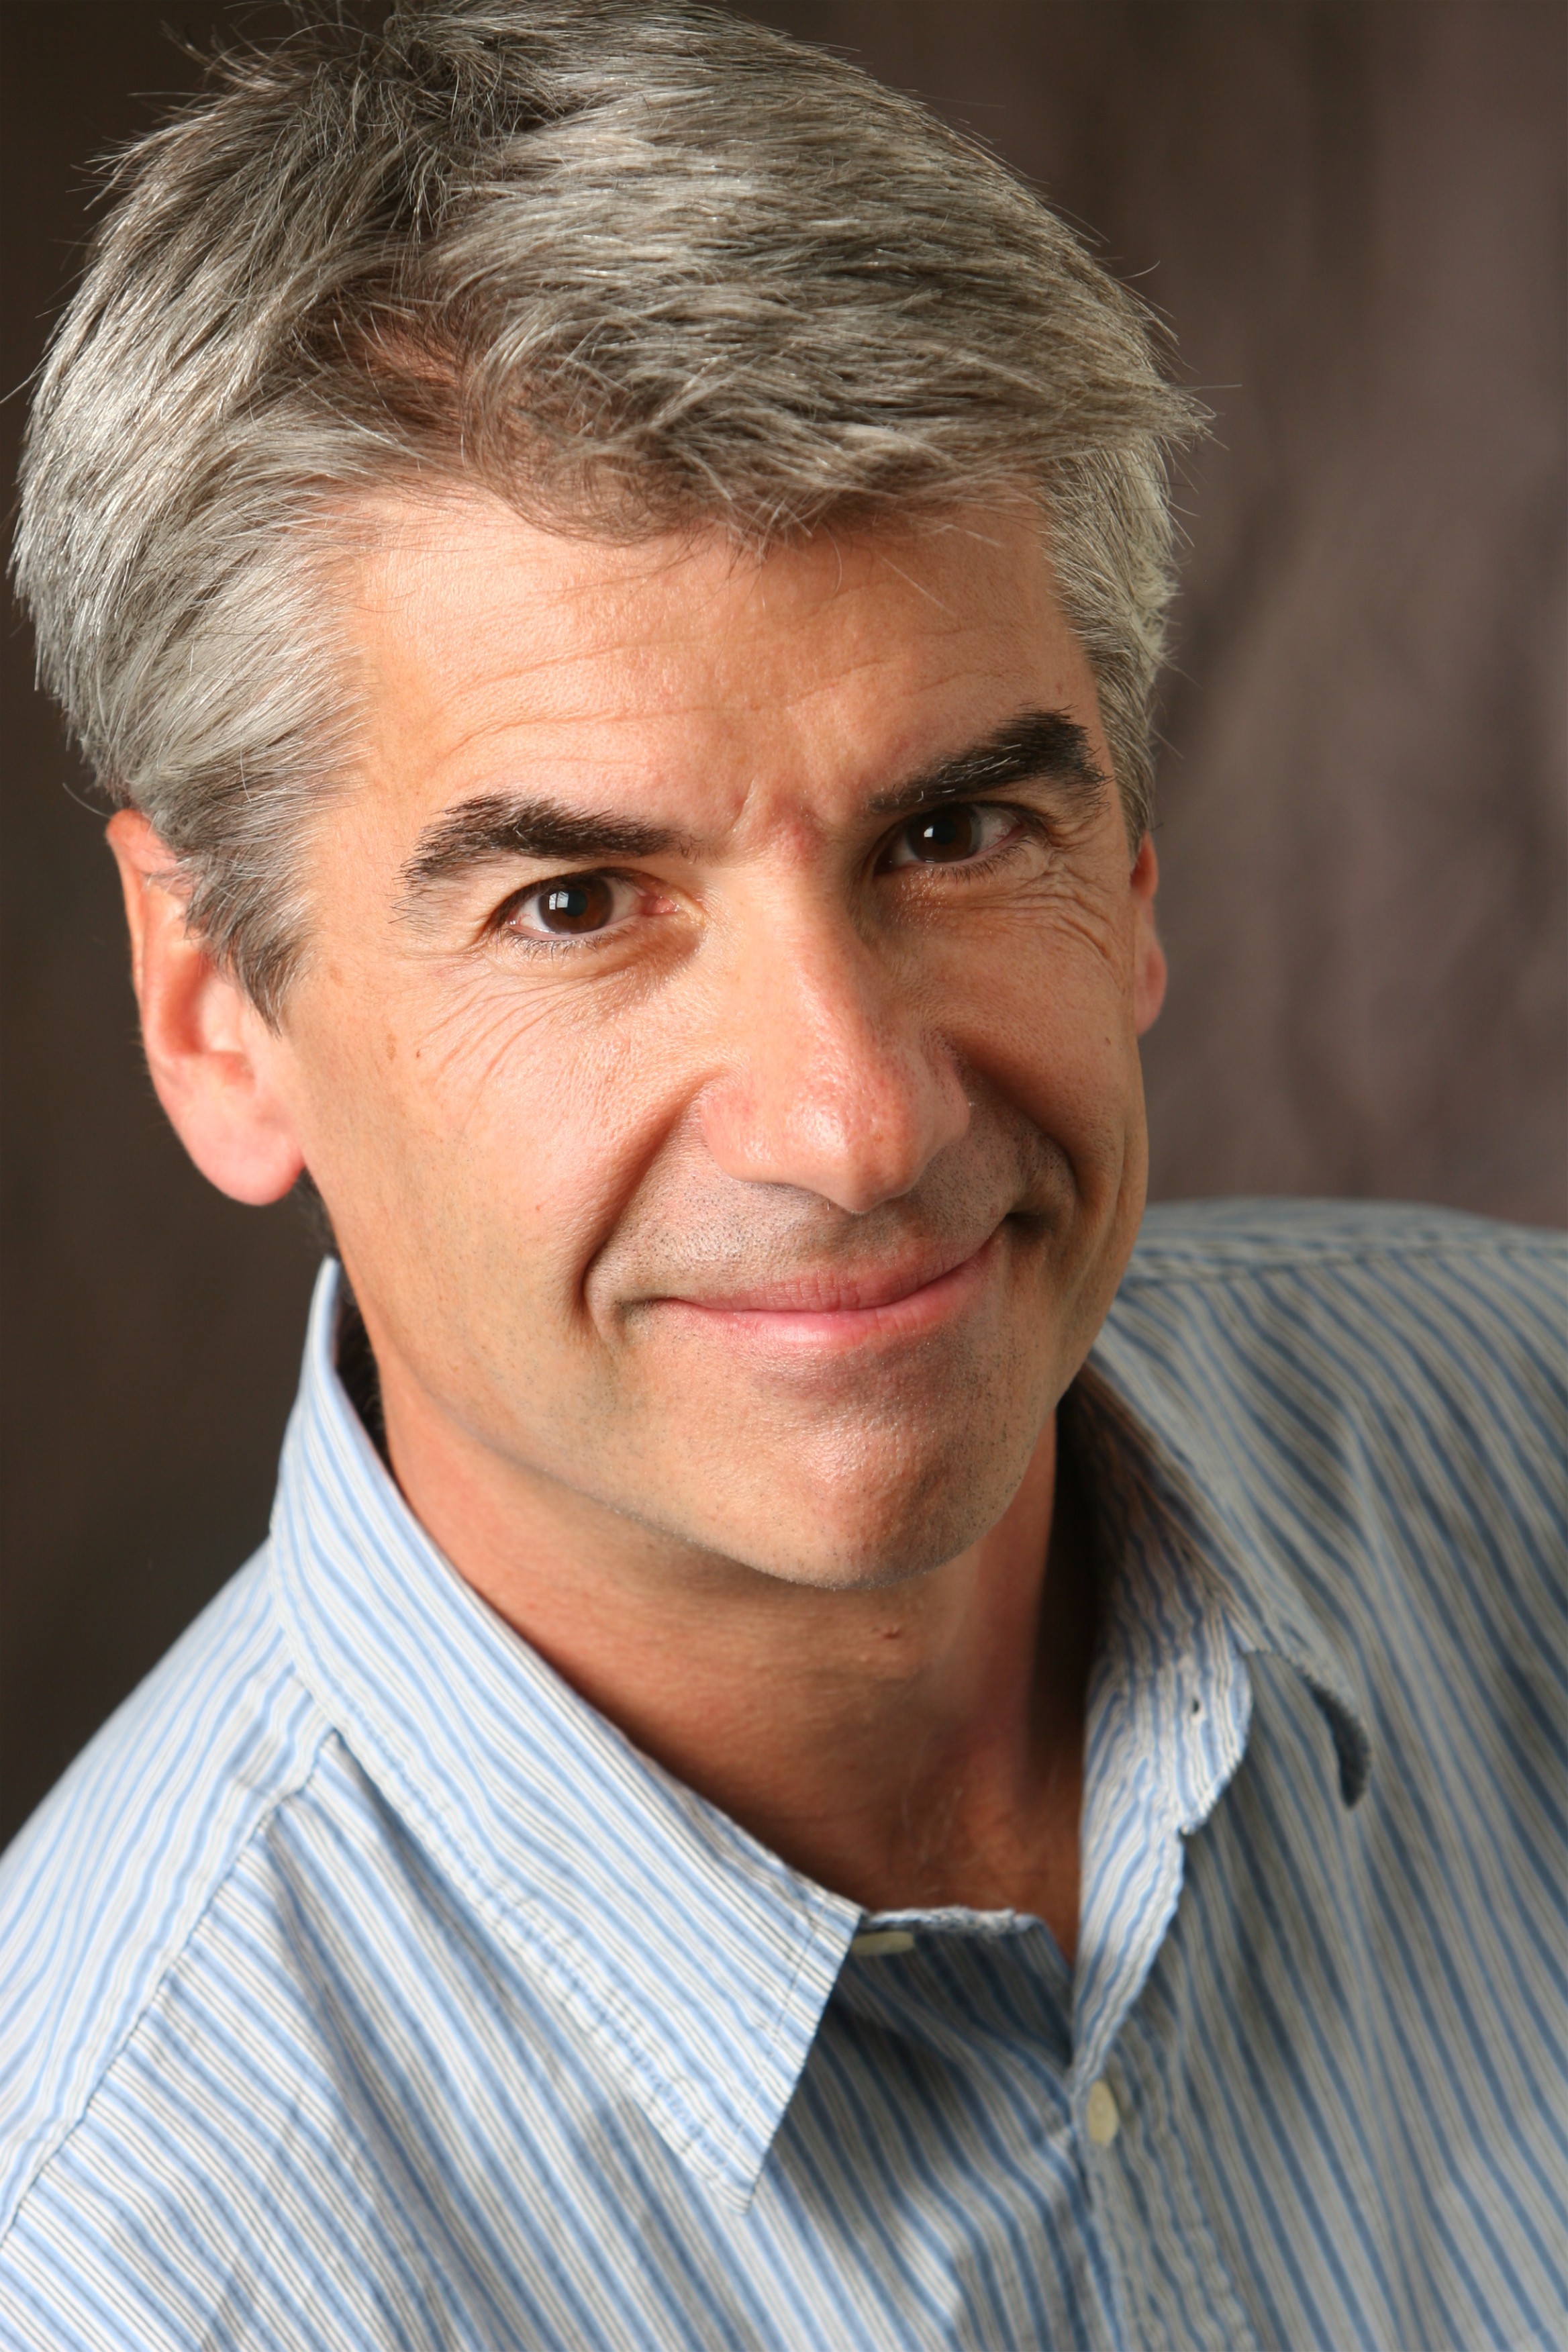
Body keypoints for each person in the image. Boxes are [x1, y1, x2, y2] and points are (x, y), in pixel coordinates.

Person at [2, 4, 1562, 2346]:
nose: (858, 1125)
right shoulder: (106, 2263)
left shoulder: (1534, 1437)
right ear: (218, 1007)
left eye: (956, 833)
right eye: (576, 903)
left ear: (1135, 868)